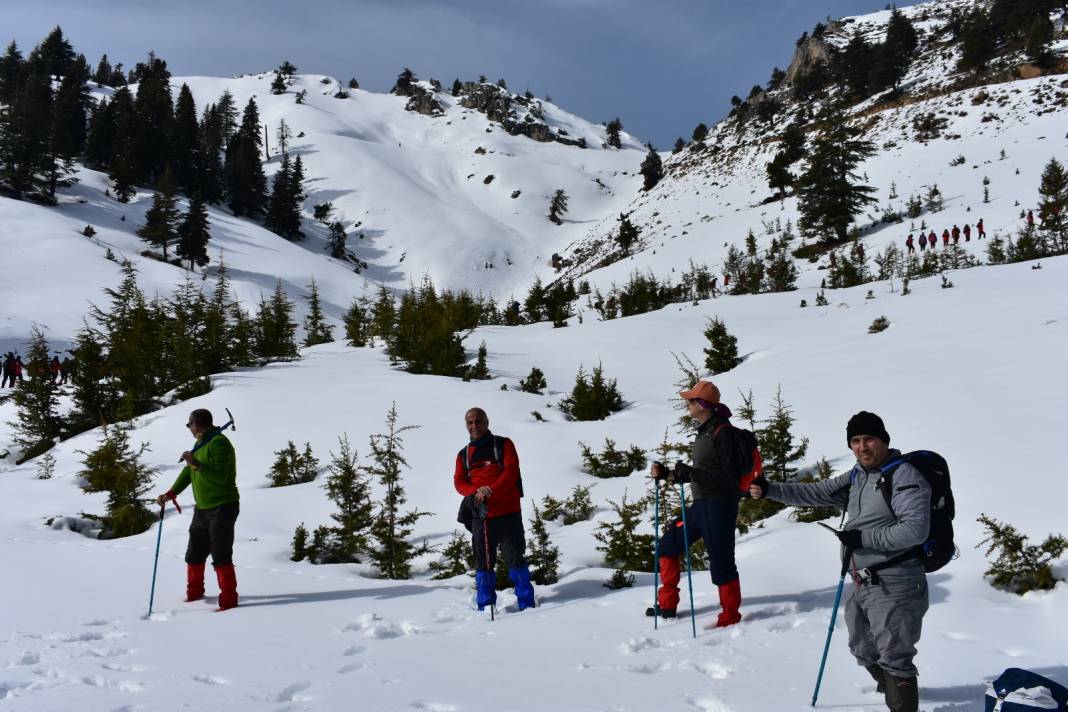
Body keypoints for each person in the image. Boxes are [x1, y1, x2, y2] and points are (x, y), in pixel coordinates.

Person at [749, 412, 930, 712]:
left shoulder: (904, 476)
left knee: (895, 656)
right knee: (861, 646)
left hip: (896, 581)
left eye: (869, 439)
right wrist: (772, 490)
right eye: (855, 441)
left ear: (884, 441)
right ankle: (891, 689)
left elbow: (915, 529)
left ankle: (901, 698)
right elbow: (818, 492)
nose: (863, 447)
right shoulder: (858, 475)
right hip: (863, 580)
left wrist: (864, 539)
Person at [647, 381, 749, 629]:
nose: (688, 404)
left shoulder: (722, 432)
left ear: (703, 404)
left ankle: (730, 618)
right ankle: (667, 604)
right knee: (668, 545)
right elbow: (700, 474)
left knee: (722, 561)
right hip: (700, 506)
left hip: (719, 506)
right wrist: (668, 475)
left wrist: (692, 473)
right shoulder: (704, 432)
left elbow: (728, 477)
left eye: (692, 400)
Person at [156, 409, 240, 611]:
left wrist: (196, 463)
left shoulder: (219, 443)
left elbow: (221, 476)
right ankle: (194, 594)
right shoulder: (200, 443)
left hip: (222, 507)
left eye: (189, 424)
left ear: (197, 424)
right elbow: (188, 471)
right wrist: (171, 493)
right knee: (194, 553)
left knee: (220, 555)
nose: (189, 428)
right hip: (202, 509)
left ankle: (228, 601)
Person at [454, 407, 535, 612]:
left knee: (516, 561)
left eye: (478, 421)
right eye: (470, 422)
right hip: (481, 517)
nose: (474, 426)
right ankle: (486, 606)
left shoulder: (503, 444)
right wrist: (476, 491)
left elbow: (511, 472)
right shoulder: (463, 455)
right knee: (483, 565)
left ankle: (527, 606)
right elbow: (459, 482)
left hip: (508, 515)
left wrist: (489, 490)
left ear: (487, 422)